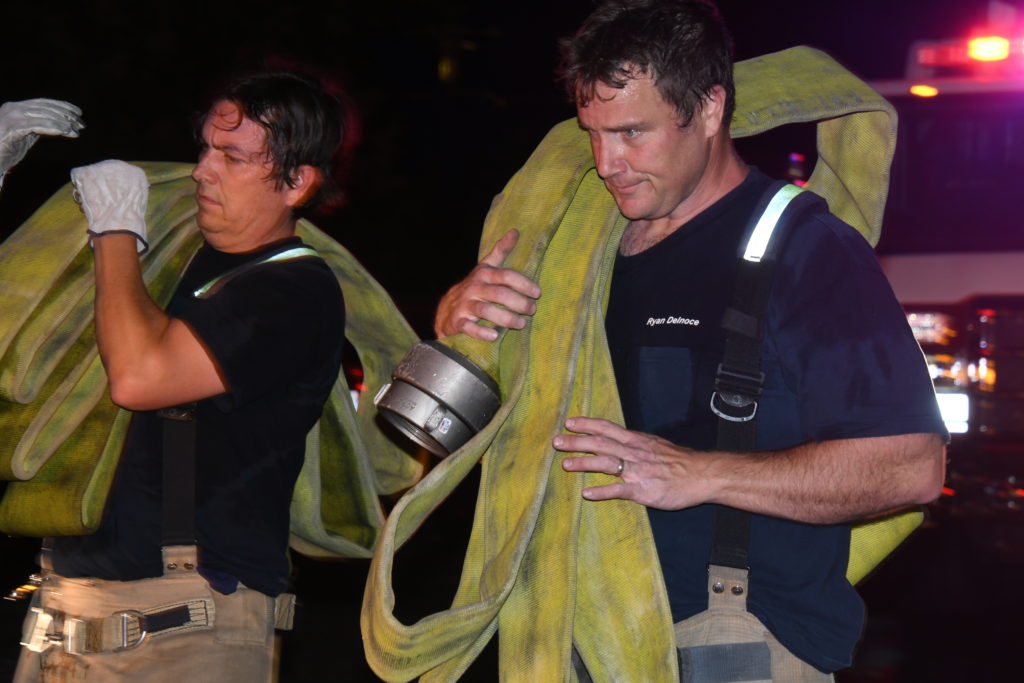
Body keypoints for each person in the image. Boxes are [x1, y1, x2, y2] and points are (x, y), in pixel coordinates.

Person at [432, 0, 947, 678]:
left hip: (735, 644)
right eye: (594, 134)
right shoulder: (577, 248)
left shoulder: (807, 249)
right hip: (574, 641)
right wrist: (456, 319)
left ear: (709, 109)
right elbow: (470, 430)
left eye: (632, 132)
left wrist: (699, 473)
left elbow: (911, 467)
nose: (607, 163)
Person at [14, 71, 348, 682]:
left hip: (183, 630)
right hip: (65, 616)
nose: (201, 171)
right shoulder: (173, 259)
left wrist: (115, 228)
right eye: (204, 149)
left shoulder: (293, 290)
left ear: (297, 182)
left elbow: (139, 379)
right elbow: (19, 329)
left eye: (232, 157)